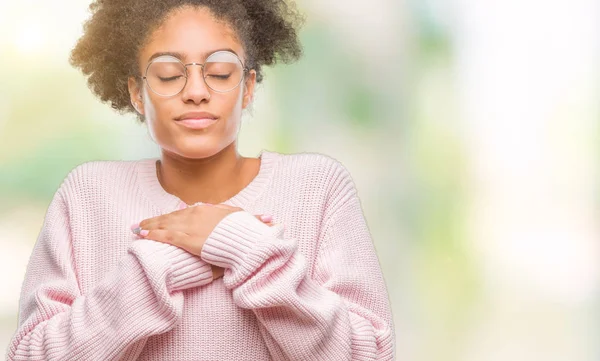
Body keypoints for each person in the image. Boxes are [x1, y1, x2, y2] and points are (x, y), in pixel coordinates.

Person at [5, 0, 395, 360]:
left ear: (248, 87)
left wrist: (245, 247)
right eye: (170, 74)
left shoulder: (318, 187)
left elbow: (369, 353)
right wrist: (157, 268)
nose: (195, 92)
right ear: (137, 93)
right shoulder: (88, 195)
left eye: (220, 72)